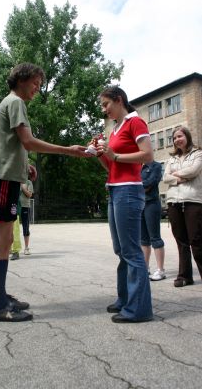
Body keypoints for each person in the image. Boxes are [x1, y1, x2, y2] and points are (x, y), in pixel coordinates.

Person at [0, 62, 89, 323]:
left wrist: (24, 163)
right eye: (36, 84)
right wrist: (68, 150)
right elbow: (28, 141)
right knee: (1, 239)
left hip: (6, 177)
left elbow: (11, 143)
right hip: (1, 179)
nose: (38, 89)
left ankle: (1, 297)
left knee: (5, 240)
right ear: (22, 79)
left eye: (40, 85)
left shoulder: (12, 102)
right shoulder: (15, 102)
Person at [95, 85, 153, 323]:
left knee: (131, 251)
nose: (104, 110)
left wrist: (115, 155)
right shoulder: (115, 129)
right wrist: (100, 154)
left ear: (119, 100)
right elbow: (112, 166)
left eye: (106, 104)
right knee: (121, 250)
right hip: (115, 189)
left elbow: (148, 155)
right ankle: (125, 299)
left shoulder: (135, 122)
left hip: (129, 190)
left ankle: (138, 309)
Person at [163, 126, 202, 287]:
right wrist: (179, 178)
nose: (177, 140)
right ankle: (184, 276)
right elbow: (165, 177)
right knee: (181, 241)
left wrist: (175, 174)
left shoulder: (198, 153)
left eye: (179, 136)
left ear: (187, 136)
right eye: (174, 138)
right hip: (174, 202)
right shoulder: (171, 158)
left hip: (193, 200)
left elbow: (194, 170)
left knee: (197, 240)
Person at [141, 161, 166, 281]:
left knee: (155, 237)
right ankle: (145, 268)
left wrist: (135, 186)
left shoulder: (155, 165)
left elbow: (151, 182)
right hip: (139, 204)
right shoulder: (135, 165)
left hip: (151, 203)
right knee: (143, 239)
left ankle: (161, 270)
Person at [20, 176, 34, 256]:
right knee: (12, 227)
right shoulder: (15, 181)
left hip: (25, 206)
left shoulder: (28, 182)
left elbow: (29, 195)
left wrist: (23, 187)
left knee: (25, 227)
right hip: (15, 207)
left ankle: (26, 248)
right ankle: (12, 248)